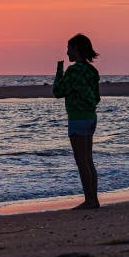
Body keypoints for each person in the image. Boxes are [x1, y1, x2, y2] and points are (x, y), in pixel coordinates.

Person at [53, 33, 101, 210]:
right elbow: (97, 97)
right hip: (90, 118)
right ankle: (93, 199)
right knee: (88, 160)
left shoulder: (73, 71)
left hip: (78, 118)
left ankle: (90, 201)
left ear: (76, 49)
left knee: (82, 161)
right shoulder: (92, 71)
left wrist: (59, 69)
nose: (66, 53)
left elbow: (58, 91)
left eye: (68, 48)